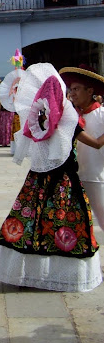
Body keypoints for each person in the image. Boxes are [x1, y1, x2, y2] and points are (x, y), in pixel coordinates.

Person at [0, 64, 103, 292]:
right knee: (61, 226)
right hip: (64, 183)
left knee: (31, 225)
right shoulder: (68, 121)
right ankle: (58, 275)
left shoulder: (40, 119)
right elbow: (97, 144)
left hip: (36, 182)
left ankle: (26, 273)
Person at [60, 66, 104, 231]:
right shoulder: (73, 117)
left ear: (90, 90)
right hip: (75, 178)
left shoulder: (101, 114)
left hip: (98, 178)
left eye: (77, 89)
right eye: (71, 89)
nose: (72, 93)